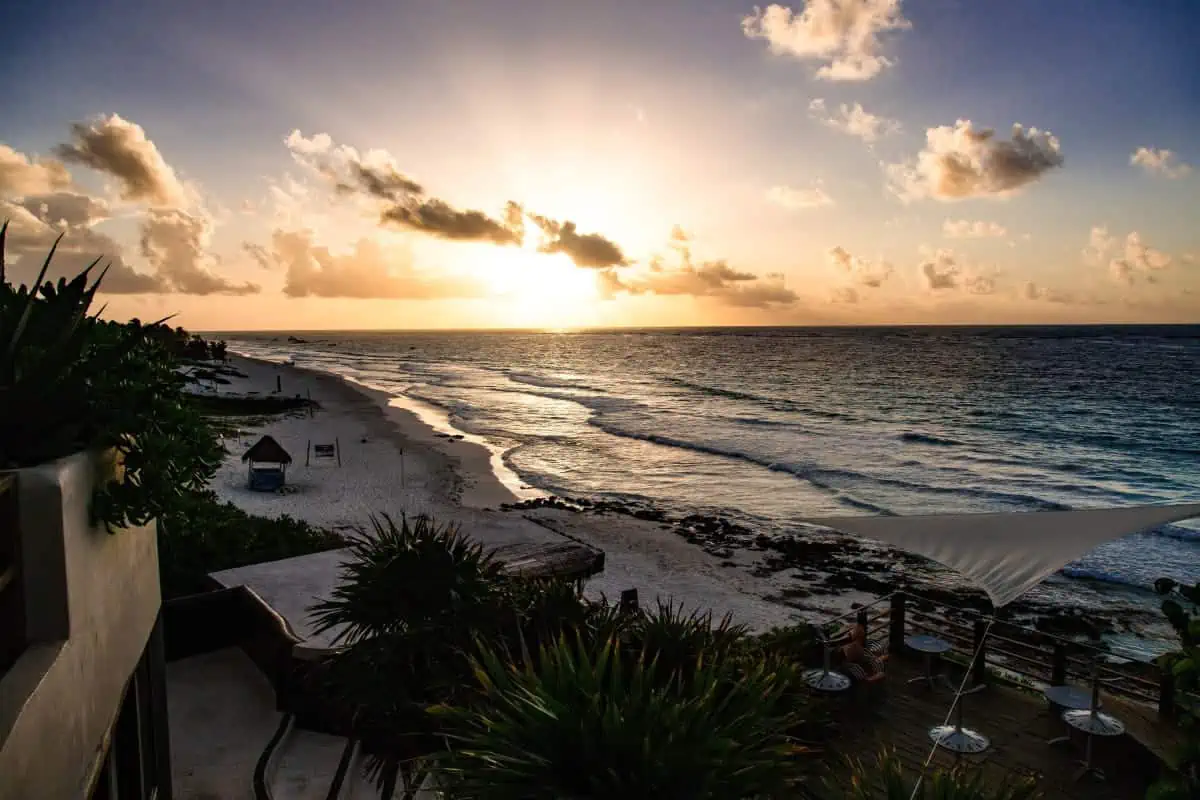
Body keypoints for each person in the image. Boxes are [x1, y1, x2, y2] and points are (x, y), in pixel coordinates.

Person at [840, 610, 885, 680]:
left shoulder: (857, 630)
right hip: (855, 653)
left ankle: (873, 674)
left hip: (856, 652)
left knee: (869, 659)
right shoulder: (859, 630)